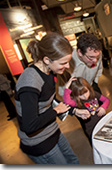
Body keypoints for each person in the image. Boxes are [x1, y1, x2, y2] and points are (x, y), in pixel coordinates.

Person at [14, 33, 89, 164]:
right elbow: (29, 126)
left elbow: (52, 101)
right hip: (38, 143)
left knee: (73, 161)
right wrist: (55, 112)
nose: (67, 66)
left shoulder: (48, 72)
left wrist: (74, 111)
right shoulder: (30, 82)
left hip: (52, 131)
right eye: (63, 63)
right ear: (47, 60)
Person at [63, 76, 110, 145]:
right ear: (75, 95)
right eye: (81, 95)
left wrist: (103, 107)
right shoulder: (77, 101)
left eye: (86, 92)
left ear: (88, 88)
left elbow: (106, 100)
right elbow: (67, 102)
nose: (85, 96)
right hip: (92, 129)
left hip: (103, 122)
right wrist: (66, 87)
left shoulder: (93, 94)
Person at [57, 33, 103, 98]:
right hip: (77, 94)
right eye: (91, 57)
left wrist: (95, 81)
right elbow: (62, 87)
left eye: (97, 56)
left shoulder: (96, 54)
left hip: (91, 86)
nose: (95, 60)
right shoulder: (68, 60)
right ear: (80, 52)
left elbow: (99, 69)